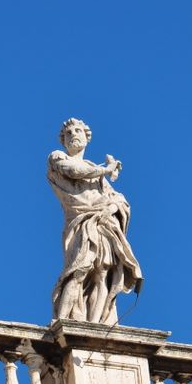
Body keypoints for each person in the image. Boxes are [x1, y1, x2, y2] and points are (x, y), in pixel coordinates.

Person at [48, 118, 142, 324]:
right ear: (63, 140)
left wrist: (112, 206)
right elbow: (73, 171)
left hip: (102, 223)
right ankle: (62, 321)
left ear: (86, 137)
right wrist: (107, 169)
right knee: (79, 270)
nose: (73, 134)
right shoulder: (57, 157)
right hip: (81, 223)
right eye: (69, 132)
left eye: (78, 130)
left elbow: (118, 198)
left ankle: (99, 322)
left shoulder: (95, 172)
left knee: (102, 273)